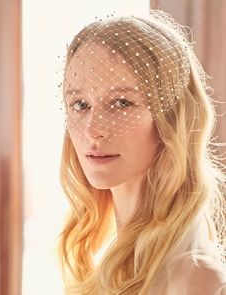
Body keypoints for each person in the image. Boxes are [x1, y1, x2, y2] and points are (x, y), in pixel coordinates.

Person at [58, 9, 226, 294]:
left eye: (122, 103)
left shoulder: (195, 279)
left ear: (172, 118)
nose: (92, 129)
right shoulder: (109, 261)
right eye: (80, 105)